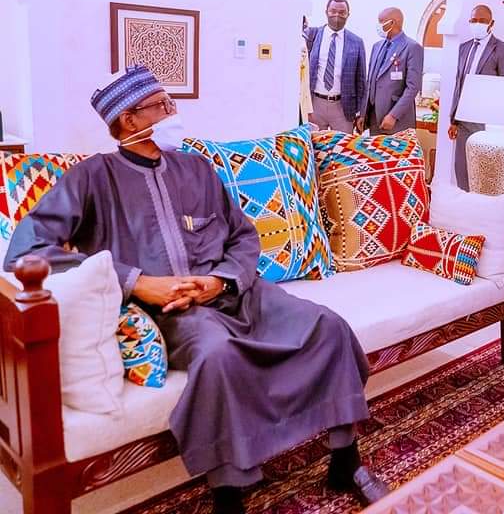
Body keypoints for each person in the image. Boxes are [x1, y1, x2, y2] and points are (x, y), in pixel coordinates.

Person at [3, 66, 390, 513]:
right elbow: (25, 251)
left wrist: (220, 279)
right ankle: (229, 493)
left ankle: (345, 460)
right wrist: (136, 282)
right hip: (175, 311)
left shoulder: (196, 168)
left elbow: (243, 236)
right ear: (129, 119)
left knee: (329, 327)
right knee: (219, 357)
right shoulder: (92, 178)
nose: (173, 113)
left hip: (236, 291)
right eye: (162, 105)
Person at [447, 4, 504, 189]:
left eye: (482, 21)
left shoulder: (502, 49)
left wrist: (501, 123)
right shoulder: (463, 48)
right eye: (474, 20)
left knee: (483, 173)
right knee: (461, 169)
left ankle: (481, 204)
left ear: (491, 23)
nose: (477, 24)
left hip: (487, 123)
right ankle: (465, 203)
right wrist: (454, 119)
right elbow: (458, 85)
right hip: (464, 121)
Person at [303, 0, 367, 133]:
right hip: (315, 105)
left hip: (343, 108)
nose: (337, 15)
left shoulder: (356, 42)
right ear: (326, 12)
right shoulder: (312, 35)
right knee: (314, 144)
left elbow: (361, 81)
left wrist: (361, 113)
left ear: (348, 15)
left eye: (342, 12)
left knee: (341, 145)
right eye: (333, 11)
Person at [362, 7, 424, 135]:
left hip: (396, 121)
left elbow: (413, 87)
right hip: (374, 118)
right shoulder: (377, 46)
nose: (378, 26)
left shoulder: (412, 48)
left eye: (381, 22)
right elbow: (370, 82)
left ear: (392, 23)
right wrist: (363, 113)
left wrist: (393, 115)